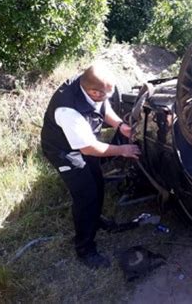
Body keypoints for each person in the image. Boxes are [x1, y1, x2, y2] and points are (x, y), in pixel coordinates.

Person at [41, 62, 141, 269]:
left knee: (97, 183)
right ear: (93, 91)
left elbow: (103, 107)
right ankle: (85, 249)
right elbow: (88, 148)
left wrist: (120, 126)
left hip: (83, 142)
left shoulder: (90, 84)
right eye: (104, 94)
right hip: (64, 151)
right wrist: (123, 150)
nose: (107, 97)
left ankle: (96, 220)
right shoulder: (67, 109)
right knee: (85, 195)